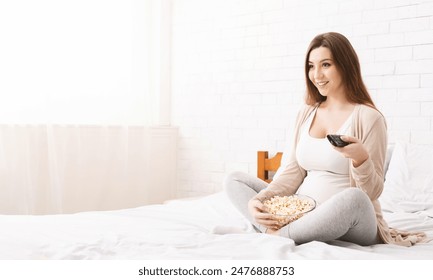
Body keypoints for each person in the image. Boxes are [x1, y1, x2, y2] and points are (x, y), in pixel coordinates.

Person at [224, 32, 426, 246]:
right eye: (311, 66)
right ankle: (282, 229)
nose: (316, 75)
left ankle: (277, 235)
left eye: (326, 65)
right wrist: (259, 201)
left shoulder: (369, 117)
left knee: (354, 198)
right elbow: (290, 173)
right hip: (301, 212)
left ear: (345, 66)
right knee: (234, 180)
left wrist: (361, 160)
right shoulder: (306, 113)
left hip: (353, 221)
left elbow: (372, 193)